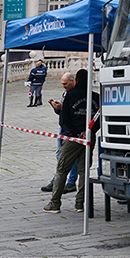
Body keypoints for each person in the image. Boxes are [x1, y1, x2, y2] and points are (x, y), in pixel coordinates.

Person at [44, 69, 100, 214]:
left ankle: (55, 203)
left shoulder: (71, 95)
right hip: (88, 137)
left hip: (72, 138)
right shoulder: (96, 97)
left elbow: (64, 119)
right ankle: (80, 203)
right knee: (83, 171)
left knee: (62, 170)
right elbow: (100, 118)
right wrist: (89, 131)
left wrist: (75, 133)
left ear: (77, 80)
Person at [41, 71, 78, 195]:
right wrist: (58, 109)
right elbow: (64, 112)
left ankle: (68, 181)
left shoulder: (74, 94)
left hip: (71, 130)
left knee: (67, 156)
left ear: (73, 81)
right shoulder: (66, 93)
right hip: (63, 128)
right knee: (59, 155)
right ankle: (57, 180)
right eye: (62, 84)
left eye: (65, 84)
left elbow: (73, 113)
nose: (64, 86)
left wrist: (63, 108)